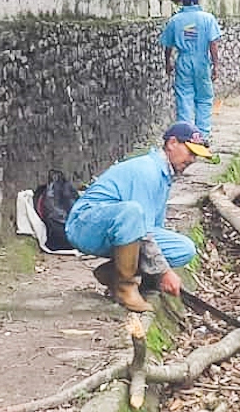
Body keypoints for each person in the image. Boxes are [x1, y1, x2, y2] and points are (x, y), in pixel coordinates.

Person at [65, 122, 212, 312]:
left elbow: (152, 229)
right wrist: (164, 272)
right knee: (132, 212)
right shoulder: (147, 171)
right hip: (86, 226)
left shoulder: (164, 174)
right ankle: (126, 287)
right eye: (190, 152)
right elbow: (142, 230)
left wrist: (160, 270)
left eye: (196, 155)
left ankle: (112, 274)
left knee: (183, 249)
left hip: (122, 229)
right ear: (172, 143)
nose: (192, 159)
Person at [160, 0, 221, 144]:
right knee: (204, 98)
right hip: (202, 62)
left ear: (183, 1)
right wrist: (216, 66)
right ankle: (202, 136)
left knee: (184, 97)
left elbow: (168, 46)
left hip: (183, 61)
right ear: (198, 0)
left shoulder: (175, 20)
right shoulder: (208, 19)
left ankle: (186, 137)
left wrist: (168, 63)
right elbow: (213, 44)